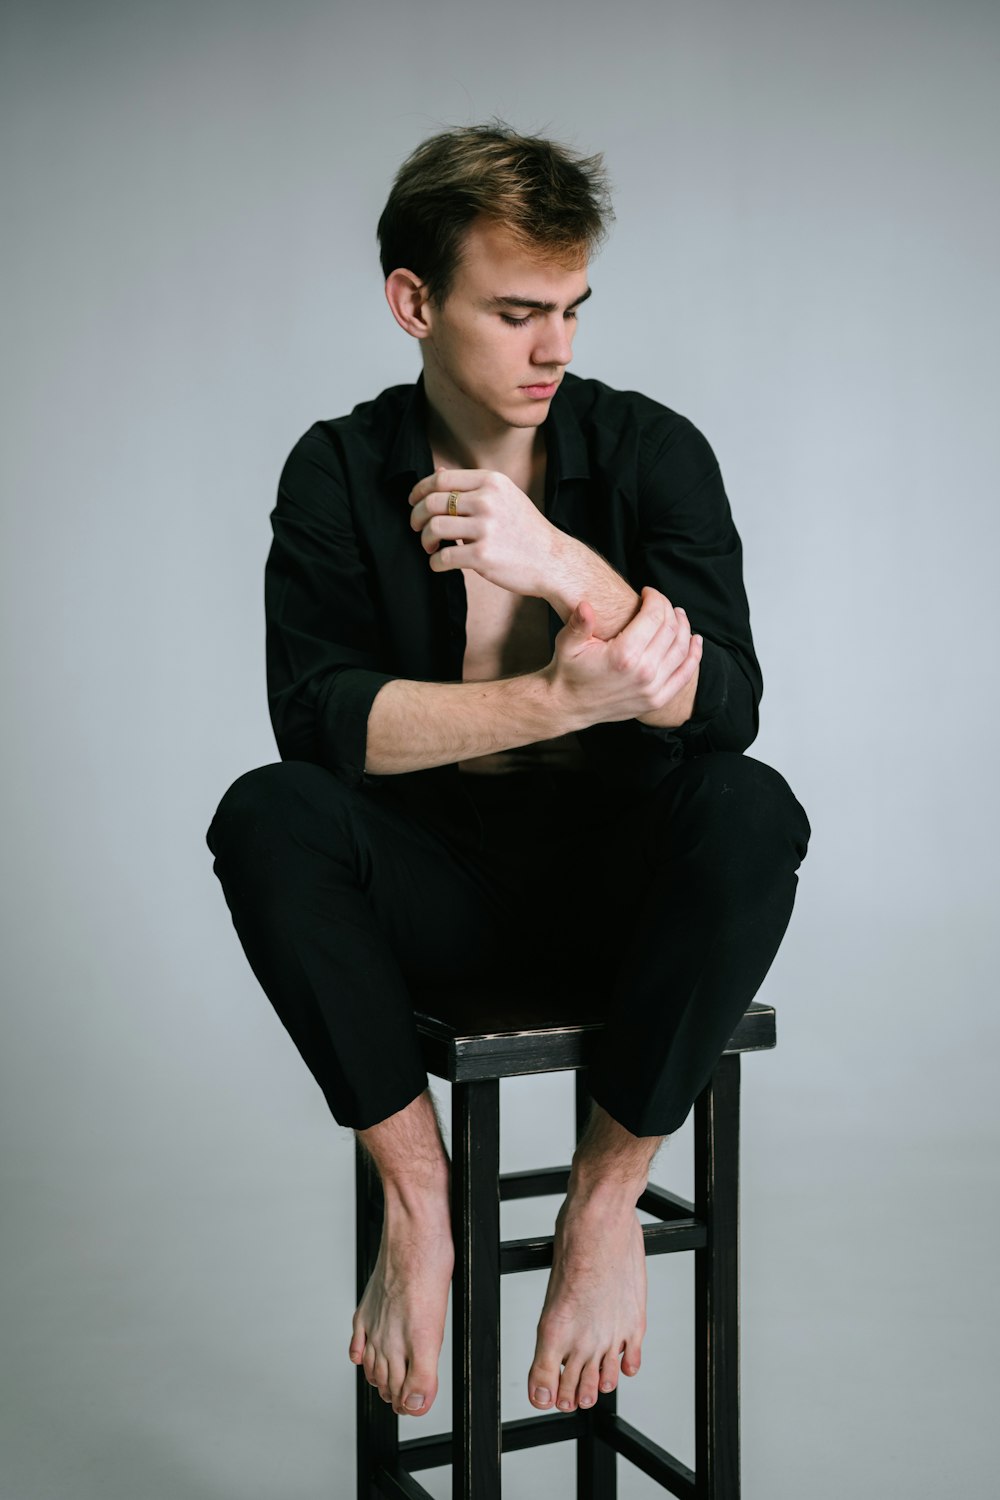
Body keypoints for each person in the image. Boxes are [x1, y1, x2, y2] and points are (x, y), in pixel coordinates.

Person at [205, 120, 810, 1426]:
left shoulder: (650, 452)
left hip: (617, 893)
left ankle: (605, 1209)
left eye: (575, 311)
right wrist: (548, 699)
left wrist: (566, 568)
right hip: (430, 900)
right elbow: (318, 726)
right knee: (267, 817)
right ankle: (418, 1207)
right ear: (414, 303)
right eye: (517, 311)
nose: (556, 349)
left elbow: (731, 710)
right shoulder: (336, 470)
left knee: (751, 811)